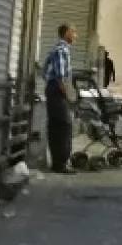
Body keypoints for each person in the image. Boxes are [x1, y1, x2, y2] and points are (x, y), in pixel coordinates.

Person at [44, 23, 79, 174]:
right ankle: (61, 163)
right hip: (57, 91)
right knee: (64, 125)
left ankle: (57, 162)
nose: (76, 35)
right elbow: (60, 78)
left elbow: (46, 71)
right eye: (74, 32)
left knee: (56, 126)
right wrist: (69, 96)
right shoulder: (61, 50)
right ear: (66, 34)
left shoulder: (58, 49)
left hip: (53, 90)